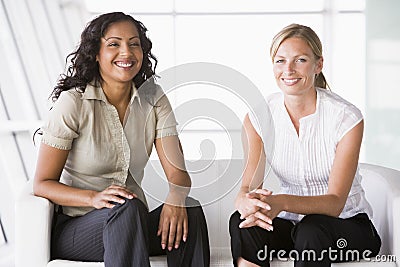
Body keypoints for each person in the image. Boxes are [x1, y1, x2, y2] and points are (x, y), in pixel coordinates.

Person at [33, 12, 210, 267]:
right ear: (96, 53)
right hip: (78, 228)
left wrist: (176, 197)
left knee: (189, 210)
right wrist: (93, 198)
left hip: (131, 222)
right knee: (128, 207)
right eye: (114, 44)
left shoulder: (154, 100)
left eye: (134, 43)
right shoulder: (73, 102)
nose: (126, 52)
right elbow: (42, 184)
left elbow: (179, 174)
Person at [229, 23, 381, 267]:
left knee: (312, 229)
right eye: (280, 61)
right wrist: (245, 202)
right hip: (294, 227)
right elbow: (248, 186)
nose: (288, 70)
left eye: (300, 60)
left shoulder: (346, 117)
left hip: (349, 228)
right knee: (243, 221)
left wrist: (281, 202)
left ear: (318, 65)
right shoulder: (259, 117)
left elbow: (334, 202)